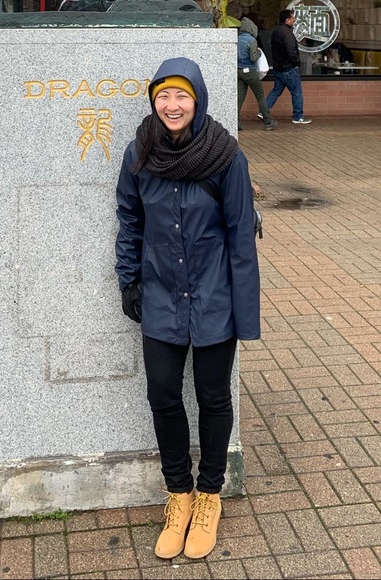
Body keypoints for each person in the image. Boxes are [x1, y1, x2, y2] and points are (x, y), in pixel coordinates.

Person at [115, 57, 261, 560]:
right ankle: (178, 494)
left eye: (182, 96)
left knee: (213, 398)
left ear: (197, 99)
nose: (172, 105)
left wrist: (245, 311)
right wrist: (128, 279)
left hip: (214, 296)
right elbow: (130, 219)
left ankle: (209, 496)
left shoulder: (225, 156)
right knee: (162, 395)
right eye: (164, 96)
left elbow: (241, 237)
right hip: (160, 295)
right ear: (153, 100)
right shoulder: (140, 151)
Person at [260, 9, 312, 124]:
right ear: (287, 20)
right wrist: (296, 63)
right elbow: (291, 50)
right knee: (297, 92)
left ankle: (263, 111)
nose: (294, 20)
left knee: (276, 90)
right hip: (288, 68)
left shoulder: (276, 31)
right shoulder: (287, 33)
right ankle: (298, 116)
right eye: (293, 18)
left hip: (278, 67)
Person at [237, 17, 278, 131]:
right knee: (260, 95)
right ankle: (268, 121)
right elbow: (253, 57)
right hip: (250, 71)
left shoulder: (237, 39)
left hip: (239, 71)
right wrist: (259, 52)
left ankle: (236, 121)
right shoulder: (252, 40)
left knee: (240, 97)